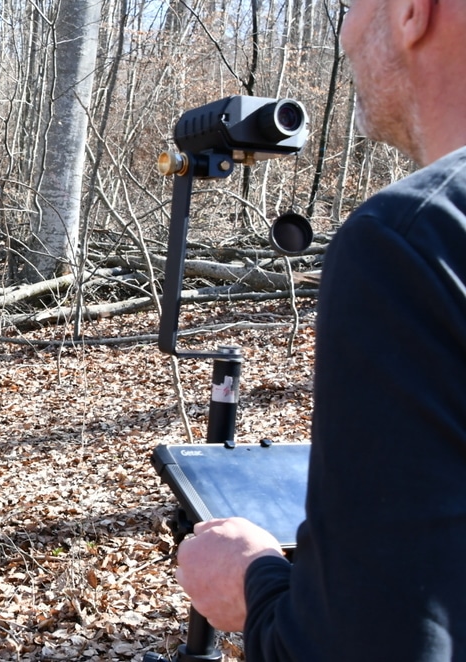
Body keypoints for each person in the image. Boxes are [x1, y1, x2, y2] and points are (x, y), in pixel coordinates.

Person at [175, 0, 466, 658]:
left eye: (354, 7)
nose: (343, 33)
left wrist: (255, 586)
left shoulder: (412, 242)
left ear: (413, 13)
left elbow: (365, 644)